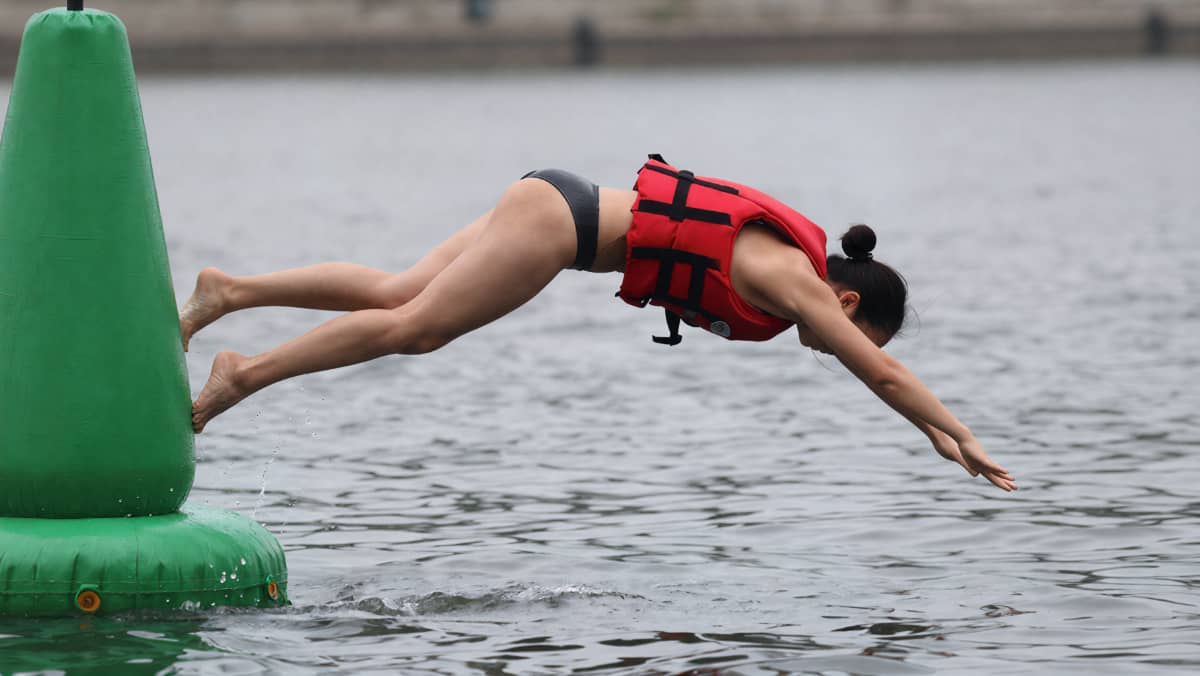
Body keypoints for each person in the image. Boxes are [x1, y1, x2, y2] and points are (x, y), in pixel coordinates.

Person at [181, 155, 1016, 491]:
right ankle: (241, 376)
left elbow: (879, 368)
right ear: (849, 305)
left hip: (556, 203)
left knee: (398, 292)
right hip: (559, 228)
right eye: (852, 334)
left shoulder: (791, 274)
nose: (829, 346)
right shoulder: (798, 282)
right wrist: (956, 433)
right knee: (418, 327)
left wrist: (934, 434)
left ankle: (230, 289)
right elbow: (884, 375)